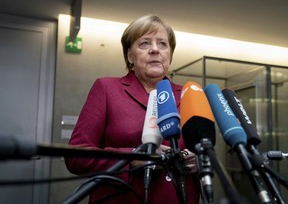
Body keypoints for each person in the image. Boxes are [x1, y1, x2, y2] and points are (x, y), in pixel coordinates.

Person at [65, 14, 200, 204]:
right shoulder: (107, 88)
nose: (155, 49)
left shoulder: (189, 95)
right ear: (130, 55)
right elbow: (75, 157)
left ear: (170, 54)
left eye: (162, 44)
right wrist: (131, 158)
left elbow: (206, 154)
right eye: (145, 43)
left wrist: (198, 162)